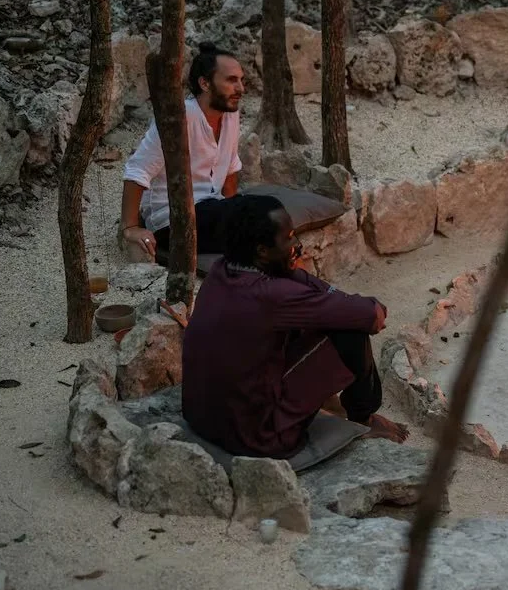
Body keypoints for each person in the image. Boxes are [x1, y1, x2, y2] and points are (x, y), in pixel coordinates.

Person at [182, 193, 411, 458]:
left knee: (317, 319)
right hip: (258, 437)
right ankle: (364, 418)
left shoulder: (221, 270)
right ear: (262, 250)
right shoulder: (274, 295)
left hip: (201, 419)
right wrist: (358, 304)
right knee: (350, 332)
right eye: (289, 237)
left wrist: (297, 274)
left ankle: (329, 403)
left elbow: (312, 293)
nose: (297, 244)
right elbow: (371, 315)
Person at [120, 42, 245, 261]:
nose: (240, 88)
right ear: (205, 83)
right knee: (258, 224)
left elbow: (231, 167)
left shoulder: (230, 114)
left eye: (241, 80)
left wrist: (233, 206)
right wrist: (130, 227)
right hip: (173, 219)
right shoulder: (180, 116)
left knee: (267, 211)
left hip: (212, 207)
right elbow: (137, 169)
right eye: (231, 80)